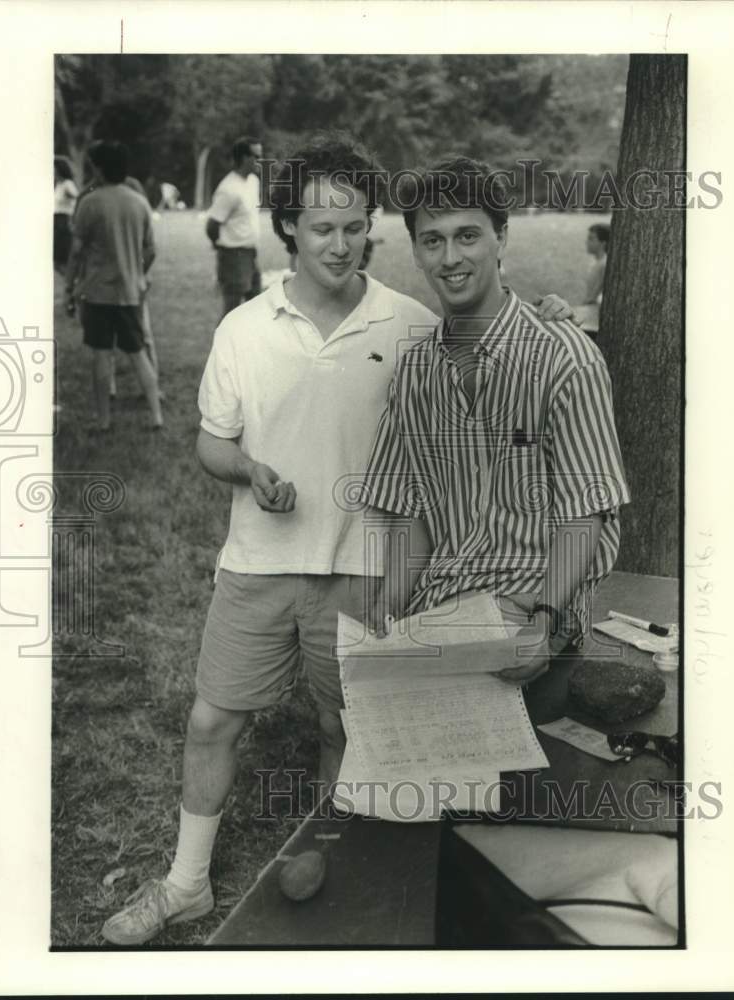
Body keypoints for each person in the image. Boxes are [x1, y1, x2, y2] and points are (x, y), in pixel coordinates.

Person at [101, 135, 575, 945]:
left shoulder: (410, 321)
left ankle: (333, 872)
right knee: (212, 720)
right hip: (257, 566)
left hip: (366, 570)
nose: (339, 243)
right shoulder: (244, 329)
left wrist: (543, 310)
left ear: (370, 229)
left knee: (343, 731)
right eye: (321, 227)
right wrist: (250, 471)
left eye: (355, 227)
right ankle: (185, 885)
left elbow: (486, 324)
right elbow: (210, 444)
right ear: (288, 225)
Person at [363, 157, 629, 685]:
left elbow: (585, 514)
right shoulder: (414, 372)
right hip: (440, 604)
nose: (450, 257)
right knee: (374, 728)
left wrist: (546, 623)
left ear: (501, 238)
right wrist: (386, 608)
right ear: (415, 250)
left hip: (535, 598)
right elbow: (413, 513)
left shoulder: (563, 355)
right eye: (432, 241)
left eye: (468, 236)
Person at [64, 141, 163, 432]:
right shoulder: (138, 201)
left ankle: (104, 421)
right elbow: (151, 250)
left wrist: (68, 289)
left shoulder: (90, 202)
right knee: (138, 353)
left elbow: (76, 252)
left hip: (97, 293)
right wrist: (138, 273)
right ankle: (157, 416)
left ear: (100, 167)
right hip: (131, 292)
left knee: (101, 354)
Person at [206, 136, 263, 318]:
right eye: (256, 157)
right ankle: (222, 346)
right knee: (232, 312)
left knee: (256, 305)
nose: (260, 161)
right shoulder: (228, 189)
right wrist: (220, 246)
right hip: (233, 256)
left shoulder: (253, 181)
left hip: (250, 253)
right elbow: (212, 225)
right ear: (243, 158)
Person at [573, 222, 610, 337]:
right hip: (590, 311)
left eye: (591, 239)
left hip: (594, 316)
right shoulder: (596, 262)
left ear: (603, 243)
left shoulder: (604, 264)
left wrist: (580, 309)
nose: (587, 242)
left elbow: (594, 295)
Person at [53, 157, 78, 273]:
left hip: (63, 220)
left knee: (61, 255)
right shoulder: (59, 185)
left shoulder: (68, 184)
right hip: (57, 219)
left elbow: (76, 197)